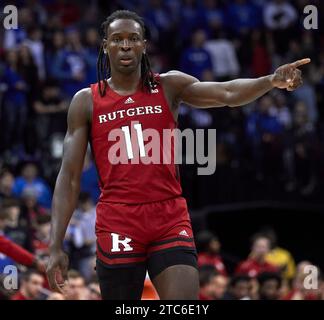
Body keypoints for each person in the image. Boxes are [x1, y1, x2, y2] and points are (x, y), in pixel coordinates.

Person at [46, 10, 310, 300]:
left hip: (168, 215)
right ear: (105, 45)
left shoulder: (169, 85)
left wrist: (271, 80)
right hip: (118, 218)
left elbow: (227, 93)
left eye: (133, 39)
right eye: (117, 39)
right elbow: (69, 177)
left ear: (144, 45)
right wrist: (55, 244)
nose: (125, 45)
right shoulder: (86, 101)